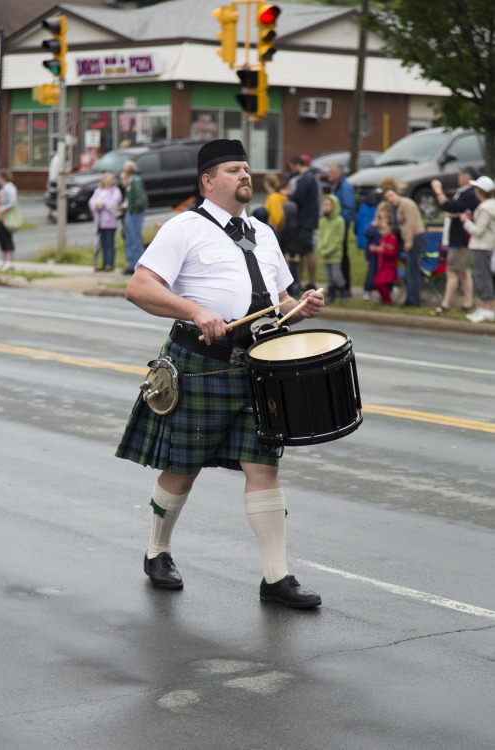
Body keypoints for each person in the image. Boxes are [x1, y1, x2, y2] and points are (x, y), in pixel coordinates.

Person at [116, 138, 325, 609]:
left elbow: (280, 304)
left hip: (256, 367)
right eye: (233, 170)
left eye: (247, 169)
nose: (244, 176)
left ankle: (277, 577)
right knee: (182, 467)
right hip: (200, 365)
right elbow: (139, 287)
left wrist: (303, 307)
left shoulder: (264, 233)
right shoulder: (184, 227)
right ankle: (158, 550)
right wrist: (195, 309)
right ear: (208, 181)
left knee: (264, 465)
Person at [430, 168, 479, 315]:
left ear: (468, 177)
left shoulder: (470, 194)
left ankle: (445, 304)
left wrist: (438, 191)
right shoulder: (465, 192)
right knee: (462, 271)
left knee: (452, 271)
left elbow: (449, 207)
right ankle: (468, 303)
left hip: (461, 239)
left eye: (461, 174)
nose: (458, 177)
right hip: (459, 238)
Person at [380, 177, 426, 307]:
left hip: (415, 238)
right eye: (387, 198)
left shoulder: (406, 204)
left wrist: (409, 242)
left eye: (391, 196)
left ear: (396, 193)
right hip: (410, 239)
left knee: (414, 270)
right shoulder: (398, 206)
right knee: (410, 270)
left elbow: (411, 223)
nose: (390, 199)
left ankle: (414, 300)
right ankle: (410, 298)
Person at [459, 176, 495, 323]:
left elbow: (479, 231)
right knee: (484, 277)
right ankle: (484, 308)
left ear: (480, 191)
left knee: (482, 278)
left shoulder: (485, 208)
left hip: (483, 247)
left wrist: (466, 222)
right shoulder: (490, 205)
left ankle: (487, 309)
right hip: (487, 246)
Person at [282, 155, 320, 290]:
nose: (292, 171)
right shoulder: (311, 178)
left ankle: (309, 281)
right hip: (308, 219)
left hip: (305, 220)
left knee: (308, 251)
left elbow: (299, 198)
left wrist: (288, 195)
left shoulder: (305, 178)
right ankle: (305, 280)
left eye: (293, 167)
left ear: (297, 165)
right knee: (304, 252)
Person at [327, 163, 356, 294]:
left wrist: (338, 223)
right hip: (335, 226)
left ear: (339, 174)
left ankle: (345, 286)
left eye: (331, 172)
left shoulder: (345, 188)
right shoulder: (337, 186)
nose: (329, 174)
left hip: (340, 227)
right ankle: (337, 285)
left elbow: (349, 209)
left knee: (342, 254)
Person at [88, 172, 123, 271]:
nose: (108, 182)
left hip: (110, 222)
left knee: (110, 243)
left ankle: (110, 264)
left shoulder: (115, 191)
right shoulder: (98, 191)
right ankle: (103, 263)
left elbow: (114, 202)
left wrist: (103, 204)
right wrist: (96, 205)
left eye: (110, 180)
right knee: (102, 243)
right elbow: (91, 202)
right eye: (106, 180)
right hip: (100, 222)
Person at [119, 160, 148, 274]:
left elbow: (141, 199)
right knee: (129, 238)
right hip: (130, 212)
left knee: (135, 239)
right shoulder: (130, 181)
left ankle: (136, 265)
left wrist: (134, 209)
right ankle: (131, 263)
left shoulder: (135, 181)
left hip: (134, 213)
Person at [317, 194, 346, 303]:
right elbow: (319, 235)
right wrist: (321, 249)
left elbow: (339, 239)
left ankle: (343, 294)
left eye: (329, 205)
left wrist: (328, 251)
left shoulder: (339, 221)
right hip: (324, 254)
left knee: (336, 275)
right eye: (325, 205)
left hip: (335, 254)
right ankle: (331, 295)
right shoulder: (322, 221)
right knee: (328, 277)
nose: (326, 207)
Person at [363, 200, 395, 301]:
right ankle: (368, 290)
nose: (384, 214)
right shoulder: (373, 227)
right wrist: (368, 256)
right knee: (372, 273)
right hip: (374, 255)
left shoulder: (392, 228)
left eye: (386, 211)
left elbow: (392, 245)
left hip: (385, 256)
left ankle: (387, 291)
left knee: (386, 275)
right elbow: (368, 244)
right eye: (382, 211)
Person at [370, 217, 399, 305]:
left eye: (384, 229)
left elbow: (392, 253)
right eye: (381, 229)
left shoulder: (392, 239)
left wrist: (382, 250)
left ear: (390, 228)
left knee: (381, 283)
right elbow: (380, 253)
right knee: (376, 283)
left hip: (389, 266)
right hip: (381, 266)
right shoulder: (382, 239)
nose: (382, 231)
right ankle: (384, 299)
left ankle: (388, 301)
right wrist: (374, 250)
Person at [0, 170, 18, 270]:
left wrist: (3, 210)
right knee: (1, 238)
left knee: (7, 238)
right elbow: (0, 199)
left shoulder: (10, 188)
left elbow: (12, 202)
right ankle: (4, 261)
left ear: (3, 178)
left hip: (6, 217)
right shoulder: (3, 188)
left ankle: (11, 262)